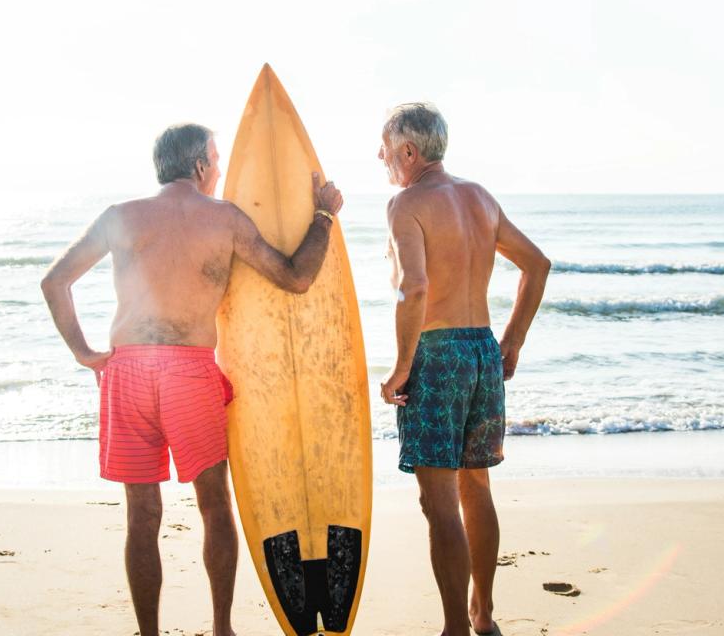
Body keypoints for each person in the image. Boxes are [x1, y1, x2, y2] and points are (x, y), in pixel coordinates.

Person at [40, 122, 344, 636]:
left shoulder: (120, 217)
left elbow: (55, 281)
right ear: (200, 166)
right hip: (189, 373)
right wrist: (322, 216)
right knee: (214, 505)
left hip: (128, 371)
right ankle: (222, 628)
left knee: (141, 516)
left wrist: (85, 354)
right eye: (217, 160)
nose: (220, 169)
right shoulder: (224, 219)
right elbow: (296, 278)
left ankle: (149, 633)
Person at [377, 103, 550, 636]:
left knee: (439, 500)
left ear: (409, 152)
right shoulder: (479, 198)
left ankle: (454, 627)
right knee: (476, 485)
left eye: (385, 148)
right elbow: (537, 264)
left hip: (439, 353)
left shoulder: (407, 203)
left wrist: (401, 368)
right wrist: (511, 342)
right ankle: (483, 617)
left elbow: (415, 287)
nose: (380, 156)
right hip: (480, 350)